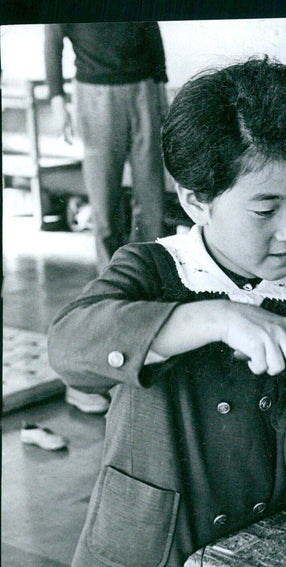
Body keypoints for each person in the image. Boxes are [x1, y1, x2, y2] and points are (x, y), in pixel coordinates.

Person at [47, 56, 286, 567]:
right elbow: (69, 346)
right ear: (196, 200)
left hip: (253, 566)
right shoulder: (152, 269)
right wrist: (216, 316)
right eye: (265, 209)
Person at [45, 22, 171, 414]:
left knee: (151, 205)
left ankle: (157, 296)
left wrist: (160, 83)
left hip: (144, 87)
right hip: (94, 92)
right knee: (104, 210)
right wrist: (56, 98)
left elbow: (150, 26)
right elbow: (53, 39)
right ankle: (110, 303)